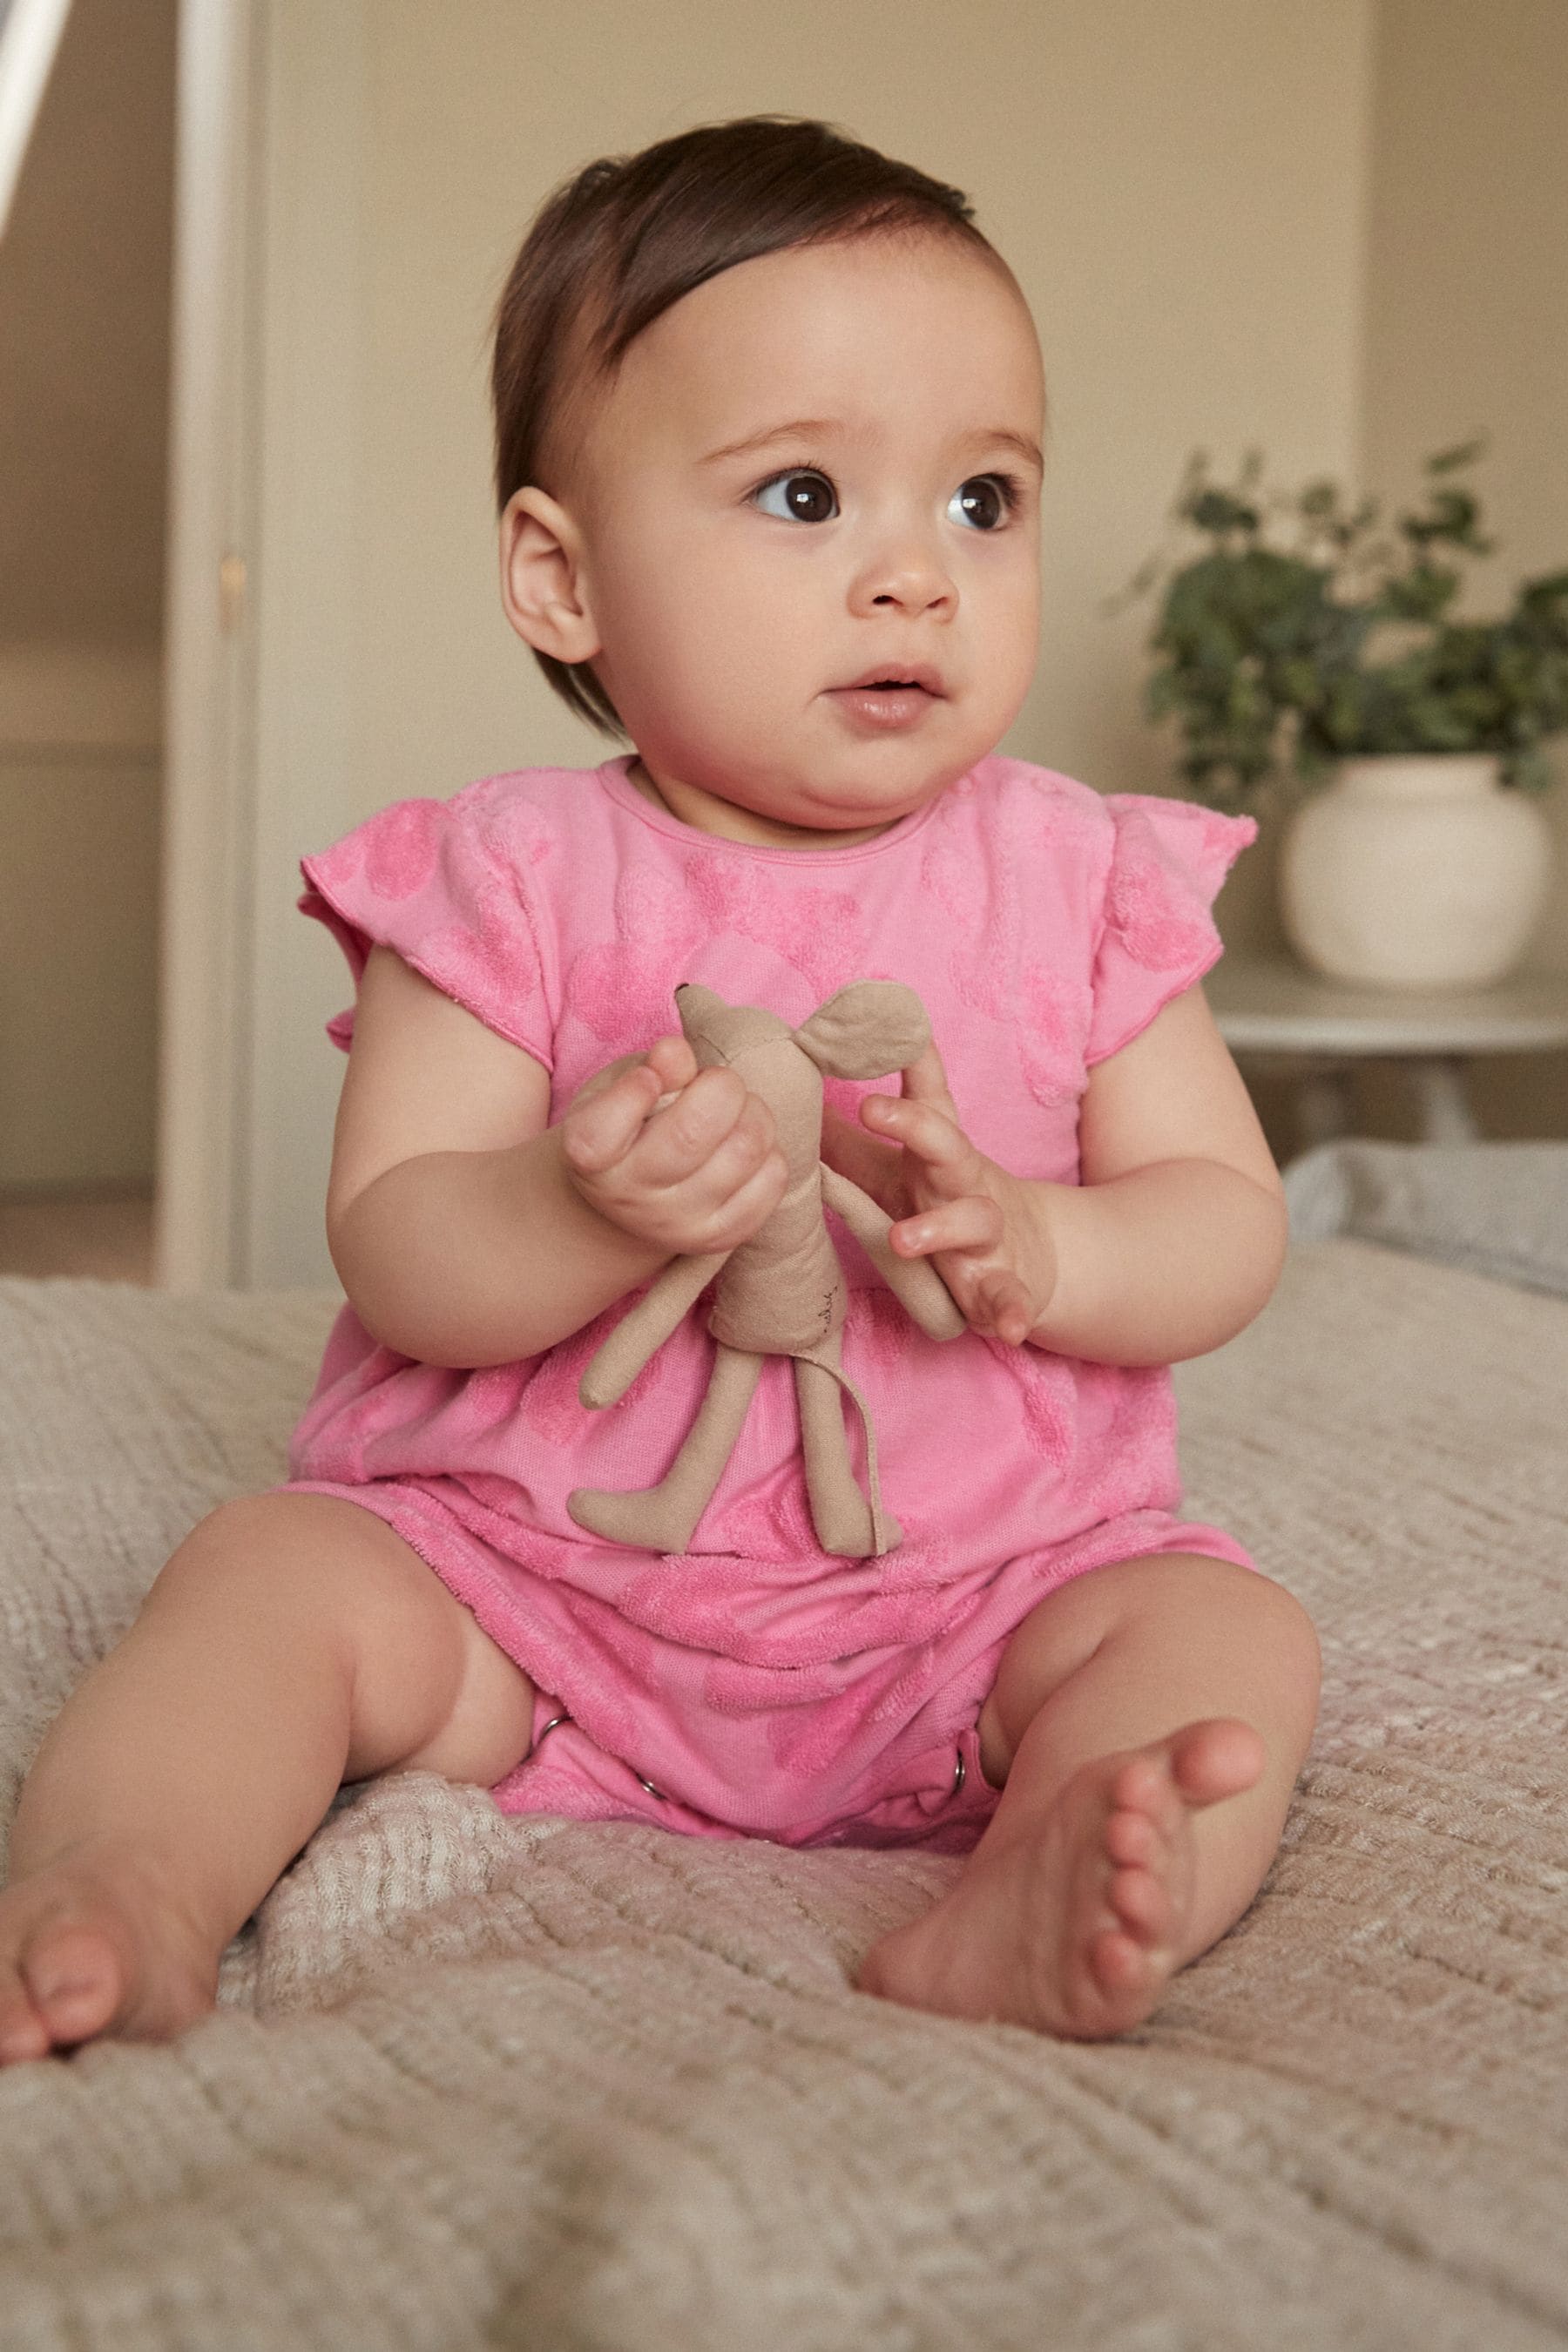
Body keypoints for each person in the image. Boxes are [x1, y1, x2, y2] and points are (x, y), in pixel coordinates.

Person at [0, 117, 1319, 2063]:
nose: (913, 579)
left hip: (979, 1603)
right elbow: (402, 1250)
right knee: (272, 1577)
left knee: (1228, 1649)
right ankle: (122, 1878)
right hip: (537, 1607)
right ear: (561, 576)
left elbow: (1225, 1222)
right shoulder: (514, 875)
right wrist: (569, 1207)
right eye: (805, 493)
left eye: (983, 500)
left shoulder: (1079, 878)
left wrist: (1050, 1240)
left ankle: (1051, 1881)